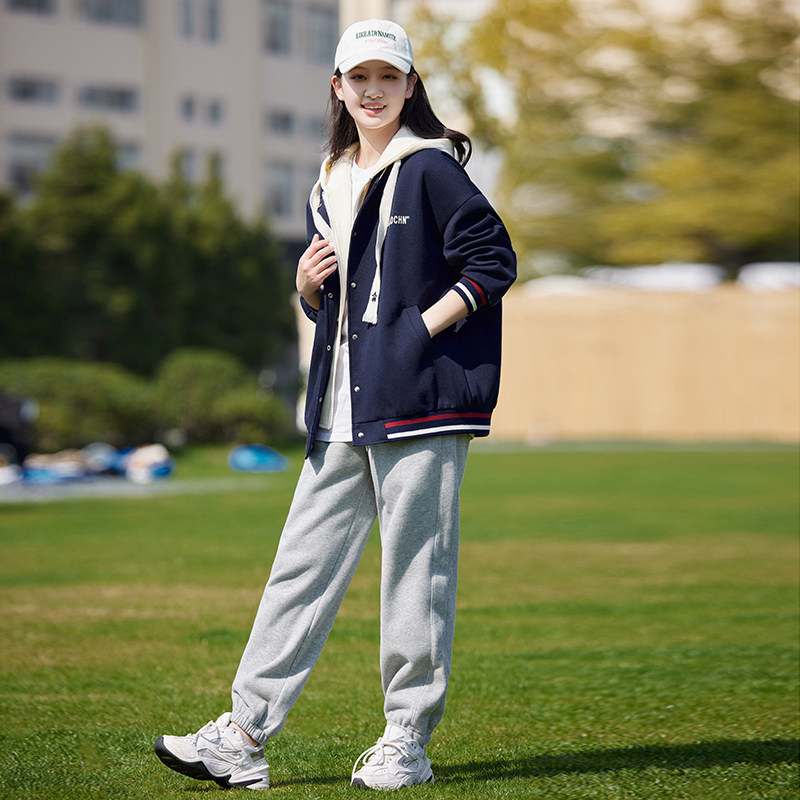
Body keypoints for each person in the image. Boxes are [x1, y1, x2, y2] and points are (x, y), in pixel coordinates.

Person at [154, 18, 516, 791]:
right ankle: (242, 736)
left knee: (415, 573)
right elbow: (345, 303)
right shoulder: (329, 179)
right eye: (360, 78)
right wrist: (306, 290)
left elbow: (492, 261)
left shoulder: (430, 169)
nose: (373, 90)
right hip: (341, 404)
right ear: (338, 87)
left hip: (418, 403)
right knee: (298, 569)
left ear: (410, 86)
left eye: (389, 77)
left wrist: (419, 331)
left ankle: (406, 741)